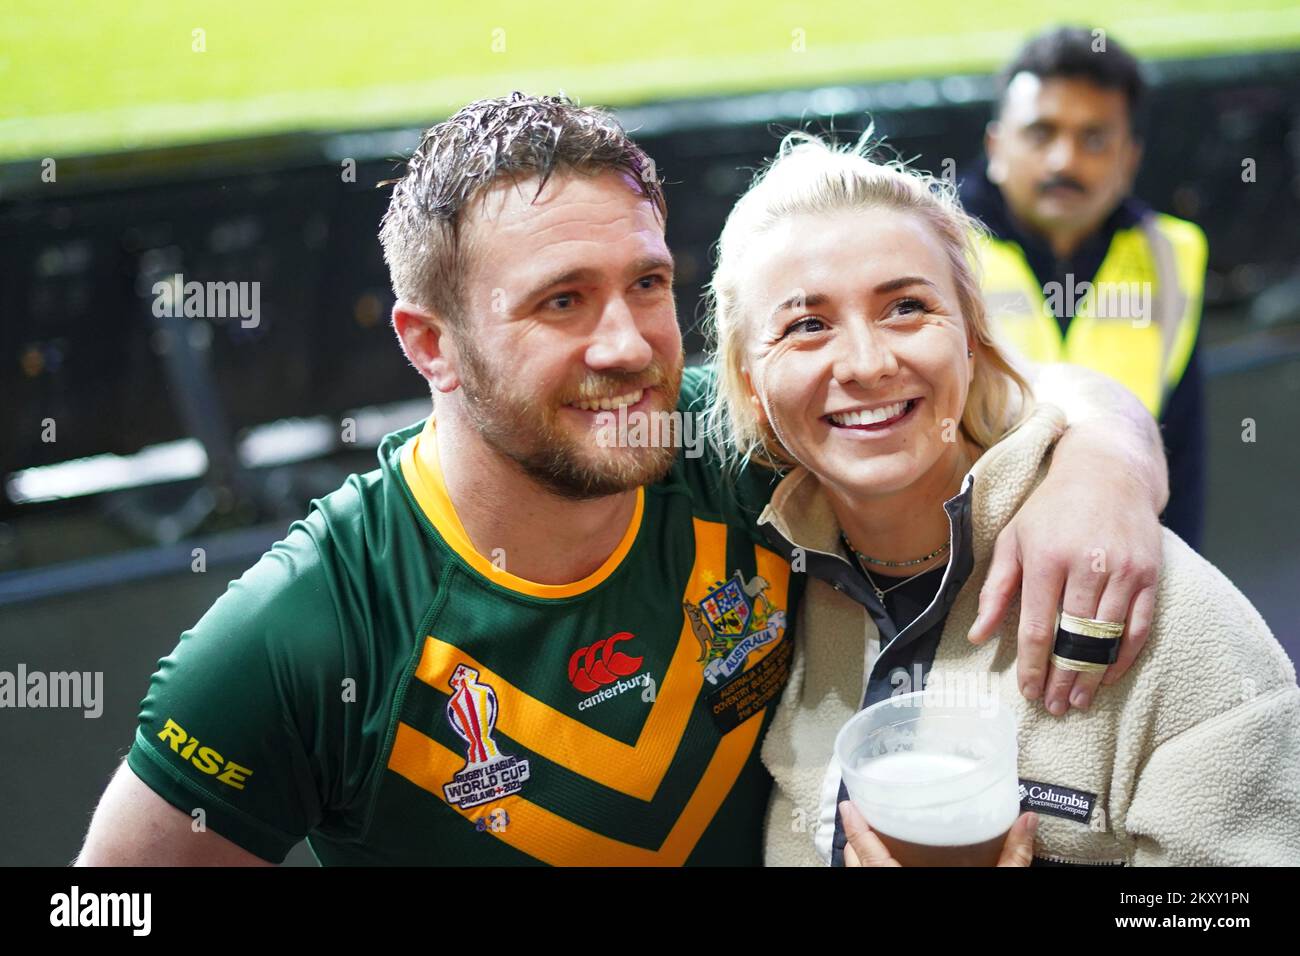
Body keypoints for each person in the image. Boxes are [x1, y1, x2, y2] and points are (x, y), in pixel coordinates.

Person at [76, 94, 1171, 867]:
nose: (627, 344)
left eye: (646, 283)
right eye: (561, 301)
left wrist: (1104, 461)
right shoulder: (311, 630)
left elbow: (1023, 385)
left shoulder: (732, 440)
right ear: (430, 345)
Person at [702, 131, 1300, 866]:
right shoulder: (765, 586)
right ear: (751, 391)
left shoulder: (1158, 607)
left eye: (906, 308)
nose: (865, 362)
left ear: (974, 340)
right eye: (807, 326)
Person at [961, 25, 1208, 550]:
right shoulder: (936, 249)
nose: (1063, 161)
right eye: (1041, 133)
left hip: (1120, 562)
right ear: (996, 146)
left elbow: (1180, 446)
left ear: (1129, 160)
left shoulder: (1171, 253)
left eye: (1094, 139)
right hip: (965, 571)